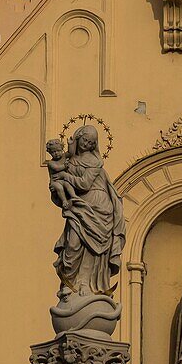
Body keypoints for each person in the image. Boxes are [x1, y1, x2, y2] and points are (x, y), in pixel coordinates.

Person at [50, 125, 126, 298]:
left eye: (91, 142)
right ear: (78, 138)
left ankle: (87, 284)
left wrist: (64, 176)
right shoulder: (70, 159)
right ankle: (70, 283)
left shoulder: (95, 162)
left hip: (99, 206)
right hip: (79, 206)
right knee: (73, 244)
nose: (87, 144)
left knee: (95, 249)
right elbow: (57, 173)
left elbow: (84, 184)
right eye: (84, 140)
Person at [44, 138, 77, 208]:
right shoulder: (51, 163)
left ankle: (74, 196)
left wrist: (70, 144)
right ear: (50, 153)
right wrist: (65, 166)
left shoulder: (64, 156)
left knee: (67, 184)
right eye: (53, 152)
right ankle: (64, 200)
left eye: (58, 151)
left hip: (63, 180)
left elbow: (71, 153)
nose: (56, 153)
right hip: (55, 182)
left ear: (62, 149)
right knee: (59, 188)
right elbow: (57, 168)